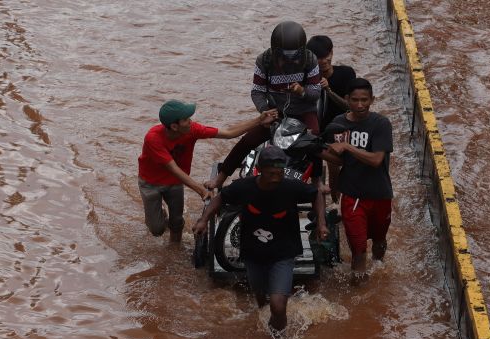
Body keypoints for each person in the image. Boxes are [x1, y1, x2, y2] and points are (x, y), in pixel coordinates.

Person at [193, 145, 328, 333]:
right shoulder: (244, 187)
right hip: (252, 251)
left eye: (280, 173)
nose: (277, 178)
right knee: (261, 298)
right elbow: (221, 199)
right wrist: (203, 220)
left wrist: (321, 223)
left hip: (284, 251)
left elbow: (316, 195)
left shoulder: (290, 187)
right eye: (272, 173)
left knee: (278, 306)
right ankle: (263, 322)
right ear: (260, 170)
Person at [138, 99, 277, 244]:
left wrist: (259, 120)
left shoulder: (192, 130)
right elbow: (173, 169)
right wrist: (201, 191)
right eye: (186, 119)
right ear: (174, 126)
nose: (190, 121)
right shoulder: (153, 138)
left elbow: (229, 133)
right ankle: (160, 212)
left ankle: (174, 249)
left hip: (175, 183)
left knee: (177, 222)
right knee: (157, 229)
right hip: (151, 183)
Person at [205, 21, 322, 191]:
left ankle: (317, 179)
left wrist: (301, 91)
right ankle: (221, 177)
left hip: (303, 111)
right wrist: (264, 111)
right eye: (285, 54)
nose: (290, 59)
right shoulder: (264, 61)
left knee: (315, 137)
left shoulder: (311, 60)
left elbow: (316, 93)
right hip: (276, 112)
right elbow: (257, 91)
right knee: (247, 140)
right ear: (276, 50)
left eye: (294, 54)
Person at [317, 78, 393, 279]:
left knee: (379, 241)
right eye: (355, 100)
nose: (360, 105)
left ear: (372, 100)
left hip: (380, 194)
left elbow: (377, 159)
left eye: (364, 100)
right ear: (347, 99)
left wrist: (349, 147)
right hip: (352, 196)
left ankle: (379, 268)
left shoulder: (381, 124)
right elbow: (339, 160)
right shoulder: (338, 125)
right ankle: (358, 293)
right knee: (358, 252)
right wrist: (316, 151)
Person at [306, 35, 357, 202]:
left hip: (338, 129)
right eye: (319, 58)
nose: (324, 61)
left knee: (335, 169)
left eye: (326, 56)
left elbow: (350, 107)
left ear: (332, 53)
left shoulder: (346, 74)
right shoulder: (307, 78)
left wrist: (329, 91)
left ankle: (335, 201)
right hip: (314, 130)